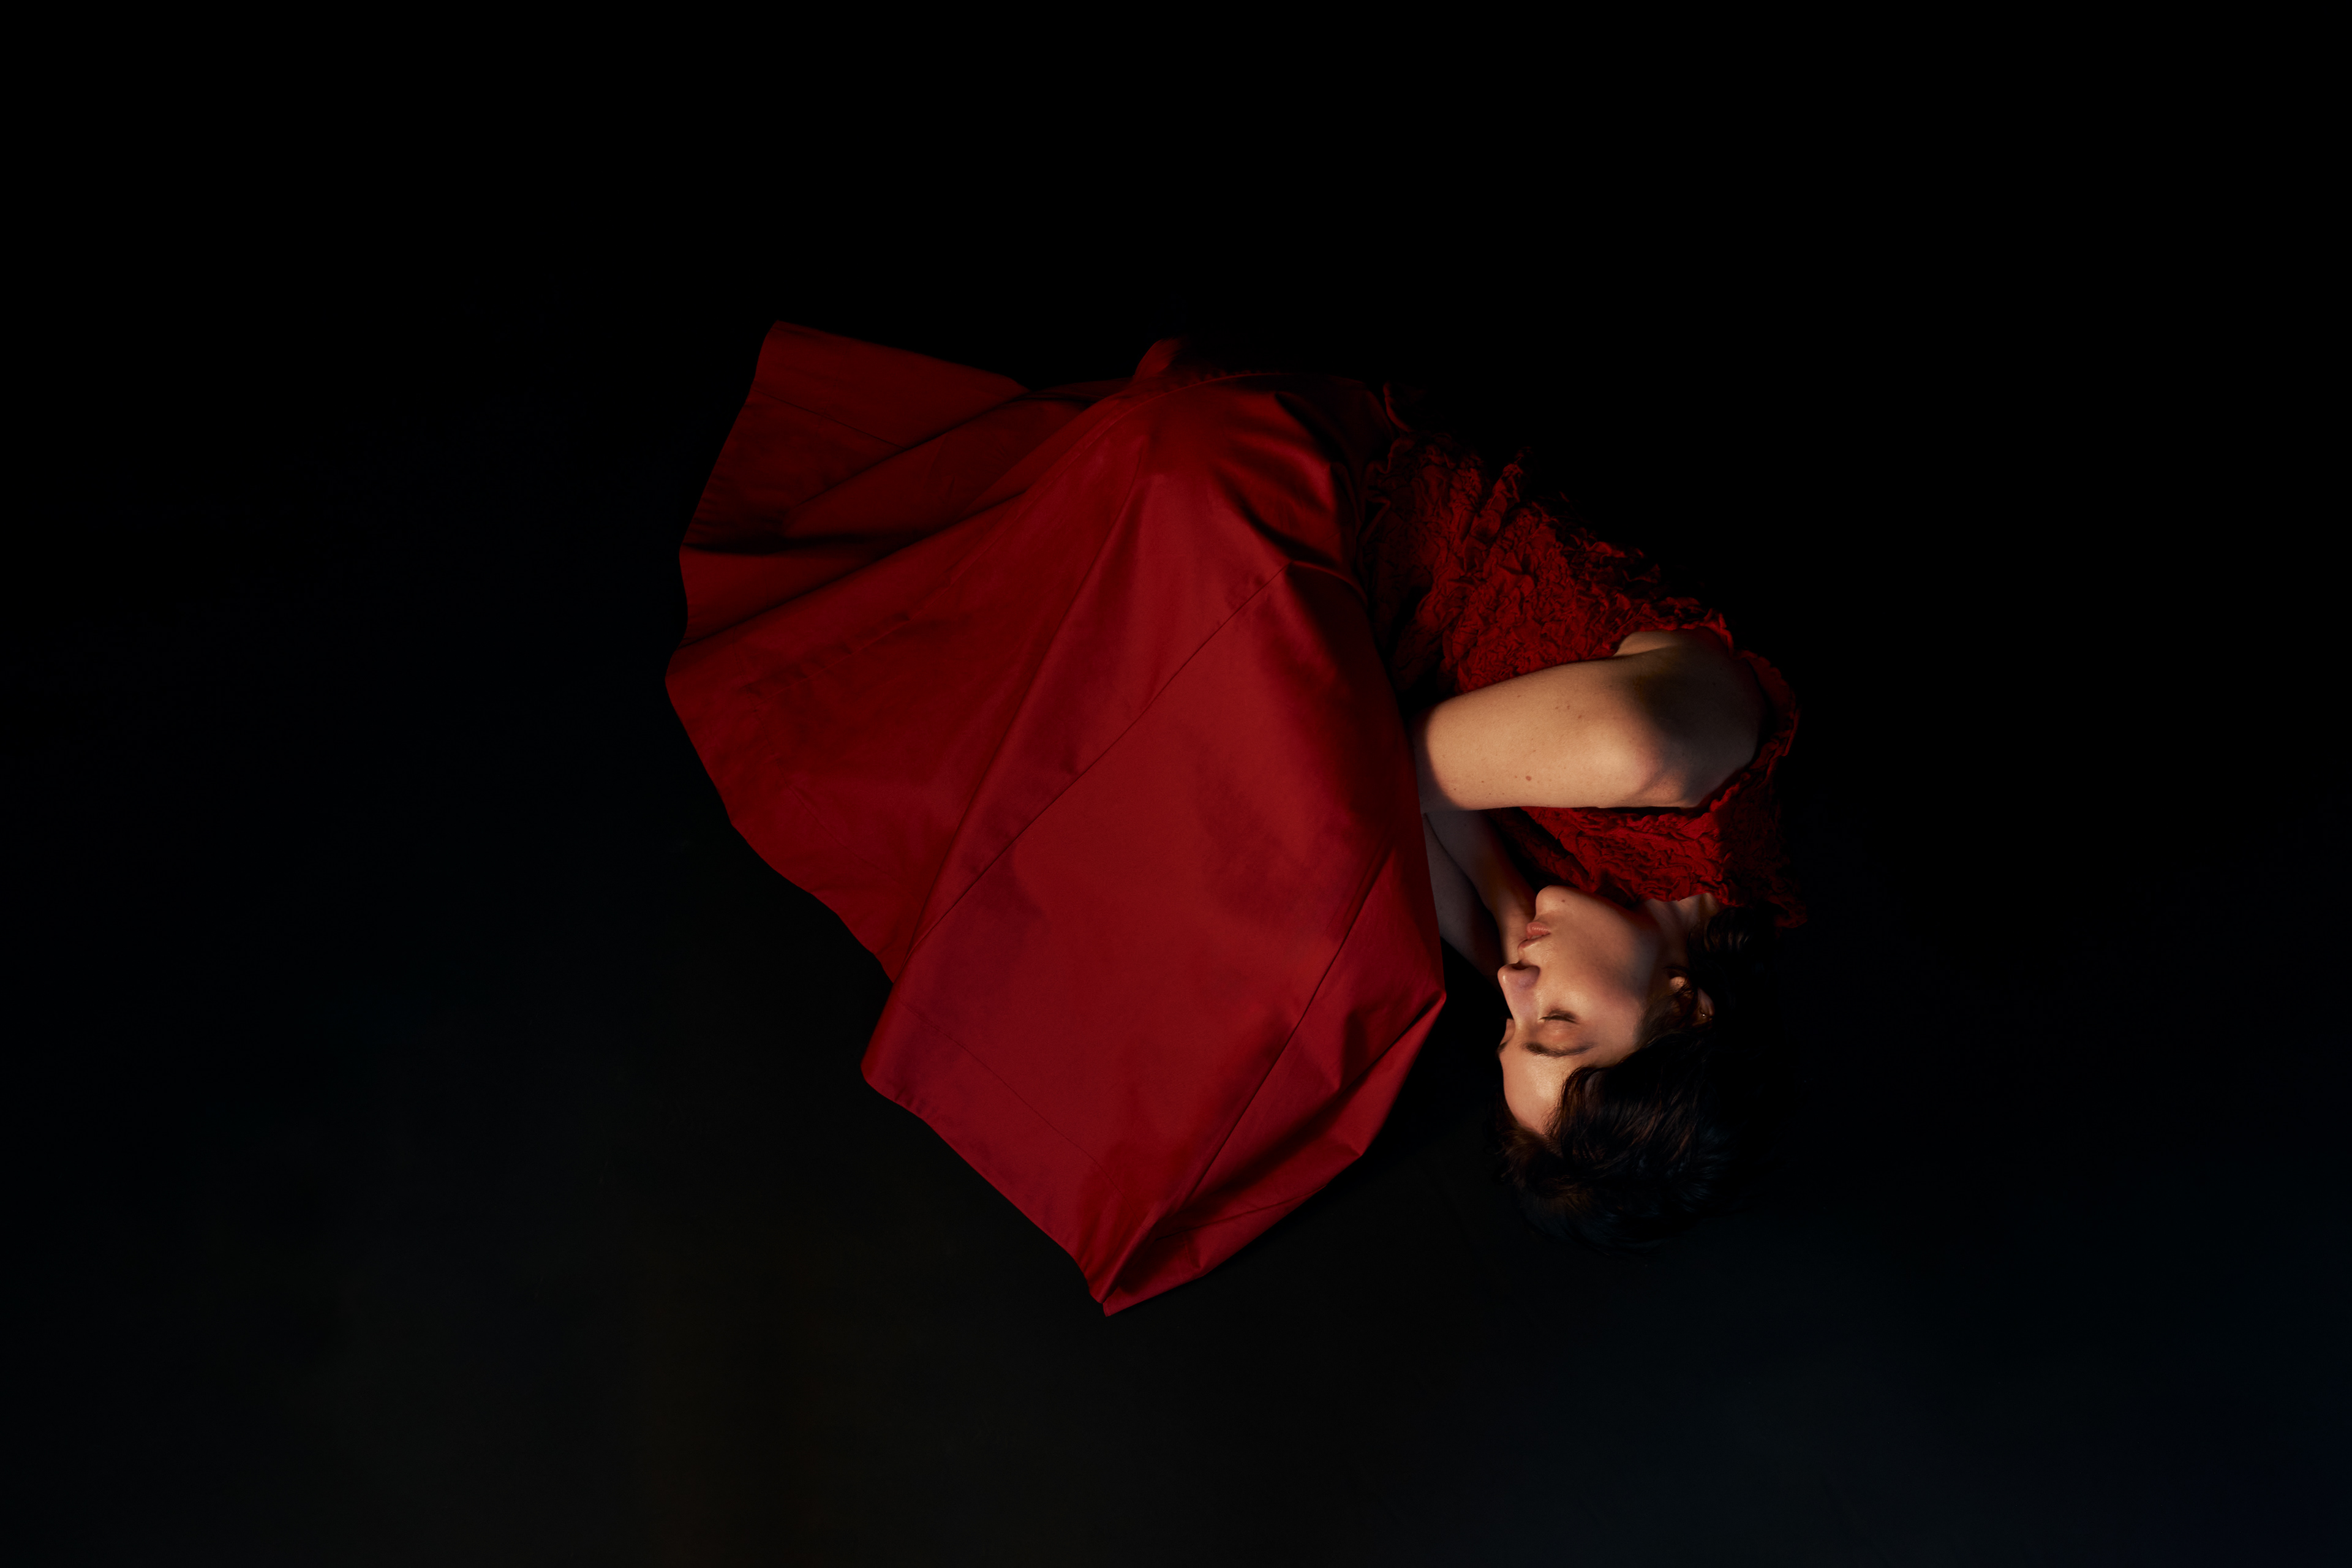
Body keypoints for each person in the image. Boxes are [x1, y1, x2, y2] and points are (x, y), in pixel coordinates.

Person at [665, 325, 1800, 1312]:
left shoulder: (1597, 922)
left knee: (1191, 864)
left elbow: (1399, 786)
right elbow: (1389, 768)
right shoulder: (1673, 762)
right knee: (1277, 898)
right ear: (1688, 1008)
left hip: (1296, 596)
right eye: (1556, 1024)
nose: (1512, 985)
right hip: (1283, 495)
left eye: (1509, 1030)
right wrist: (1494, 900)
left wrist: (1508, 917)